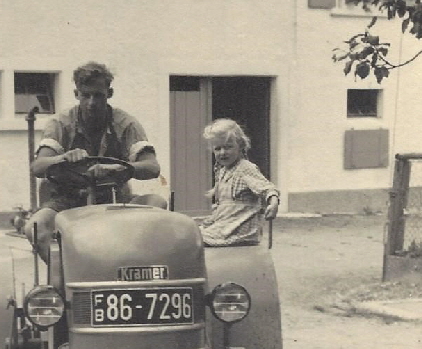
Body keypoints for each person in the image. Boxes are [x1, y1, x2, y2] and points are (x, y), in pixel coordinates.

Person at [25, 61, 167, 261]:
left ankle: (131, 272)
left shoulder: (126, 124)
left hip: (116, 200)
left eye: (98, 95)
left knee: (157, 203)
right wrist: (62, 158)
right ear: (77, 94)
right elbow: (38, 166)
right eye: (86, 95)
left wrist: (121, 168)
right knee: (35, 228)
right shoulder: (60, 124)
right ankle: (64, 283)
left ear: (109, 94)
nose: (92, 102)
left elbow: (152, 167)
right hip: (67, 202)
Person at [199, 119, 279, 247]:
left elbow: (267, 188)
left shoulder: (245, 168)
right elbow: (223, 205)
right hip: (225, 223)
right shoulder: (222, 170)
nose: (223, 152)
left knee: (196, 239)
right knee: (191, 234)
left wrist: (273, 203)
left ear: (240, 146)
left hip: (240, 228)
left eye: (228, 147)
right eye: (218, 149)